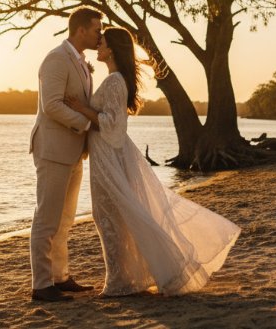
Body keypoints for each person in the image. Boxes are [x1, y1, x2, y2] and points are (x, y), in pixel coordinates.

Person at [65, 26, 241, 296]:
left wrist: (81, 108)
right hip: (109, 153)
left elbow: (112, 125)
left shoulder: (115, 81)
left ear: (112, 49)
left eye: (102, 42)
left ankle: (121, 281)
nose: (97, 45)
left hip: (108, 154)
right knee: (115, 215)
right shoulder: (115, 79)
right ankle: (123, 277)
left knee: (111, 216)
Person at [28, 7, 103, 302]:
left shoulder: (81, 61)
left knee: (65, 219)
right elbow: (52, 106)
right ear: (81, 30)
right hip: (53, 149)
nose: (100, 35)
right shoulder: (56, 59)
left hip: (73, 151)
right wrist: (87, 124)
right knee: (47, 218)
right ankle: (41, 284)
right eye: (97, 30)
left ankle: (60, 277)